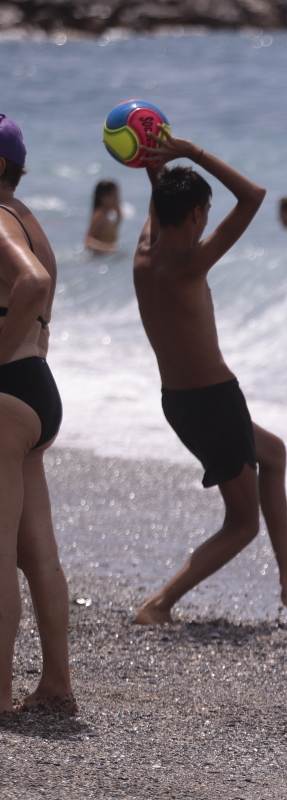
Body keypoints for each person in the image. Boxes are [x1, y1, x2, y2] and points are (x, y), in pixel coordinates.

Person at [131, 133, 287, 625]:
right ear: (198, 215)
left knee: (274, 454)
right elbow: (254, 196)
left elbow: (164, 206)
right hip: (212, 403)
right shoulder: (190, 263)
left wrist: (154, 165)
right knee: (242, 526)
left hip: (183, 400)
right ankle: (159, 605)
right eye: (204, 212)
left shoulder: (145, 253)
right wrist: (189, 152)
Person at [0, 114, 75, 715]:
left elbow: (32, 283)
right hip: (37, 391)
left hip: (5, 394)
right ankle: (56, 685)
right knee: (37, 552)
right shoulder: (29, 220)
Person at [84, 179, 122, 255]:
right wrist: (108, 248)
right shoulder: (99, 215)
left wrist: (118, 210)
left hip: (105, 256)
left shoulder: (109, 215)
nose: (117, 199)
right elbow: (88, 241)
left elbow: (119, 220)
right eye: (114, 196)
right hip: (97, 259)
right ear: (103, 198)